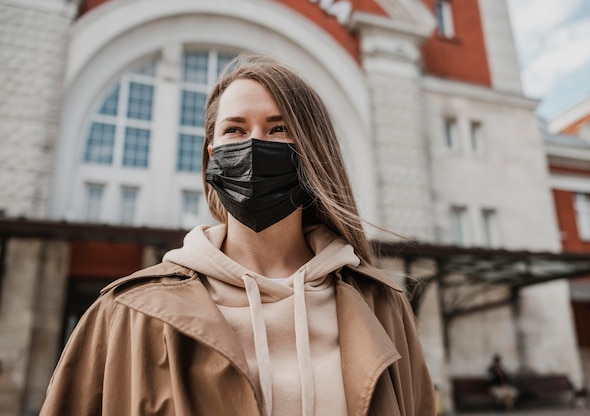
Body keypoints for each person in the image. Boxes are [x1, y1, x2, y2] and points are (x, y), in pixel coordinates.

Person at [40, 54, 436, 415]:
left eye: (278, 128)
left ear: (313, 150)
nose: (254, 145)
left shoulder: (382, 306)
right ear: (212, 156)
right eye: (234, 129)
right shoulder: (126, 312)